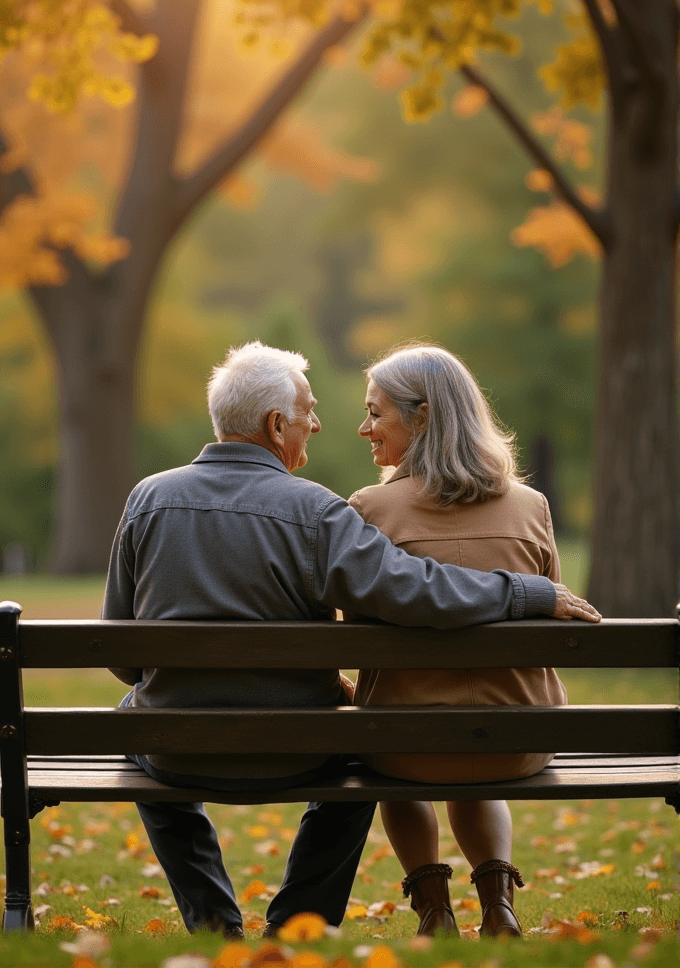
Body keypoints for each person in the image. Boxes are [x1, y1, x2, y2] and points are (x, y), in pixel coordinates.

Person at [103, 341, 600, 940]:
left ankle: (213, 922)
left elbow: (125, 661)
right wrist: (523, 593)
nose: (319, 421)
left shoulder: (146, 499)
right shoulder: (318, 511)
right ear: (275, 424)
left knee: (137, 724)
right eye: (309, 410)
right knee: (357, 739)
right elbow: (413, 590)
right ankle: (296, 922)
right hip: (302, 746)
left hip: (176, 746)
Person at [348, 343, 578, 939]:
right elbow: (552, 609)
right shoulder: (531, 506)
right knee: (475, 727)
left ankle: (433, 909)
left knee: (406, 746)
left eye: (376, 413)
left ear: (421, 417)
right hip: (519, 741)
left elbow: (346, 629)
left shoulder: (370, 509)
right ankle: (498, 904)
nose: (363, 428)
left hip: (403, 747)